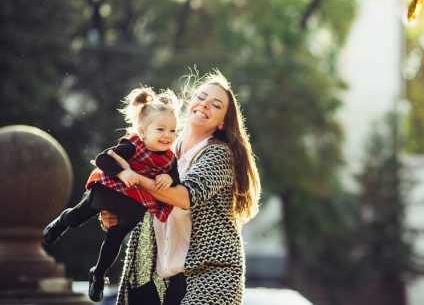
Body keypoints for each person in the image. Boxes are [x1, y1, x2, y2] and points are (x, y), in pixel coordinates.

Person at [102, 70, 261, 305]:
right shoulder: (160, 150)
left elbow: (185, 196)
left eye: (215, 105)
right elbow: (136, 203)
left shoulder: (219, 153)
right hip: (158, 278)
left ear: (222, 122)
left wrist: (132, 176)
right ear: (190, 104)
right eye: (201, 98)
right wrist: (112, 214)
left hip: (210, 277)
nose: (204, 105)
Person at [42, 87, 181, 302]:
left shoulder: (170, 159)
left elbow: (175, 176)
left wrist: (169, 179)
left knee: (116, 236)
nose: (167, 135)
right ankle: (61, 223)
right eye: (161, 129)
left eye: (172, 130)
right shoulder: (132, 146)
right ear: (143, 131)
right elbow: (102, 160)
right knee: (82, 214)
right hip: (112, 188)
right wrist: (123, 172)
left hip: (134, 201)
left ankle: (98, 274)